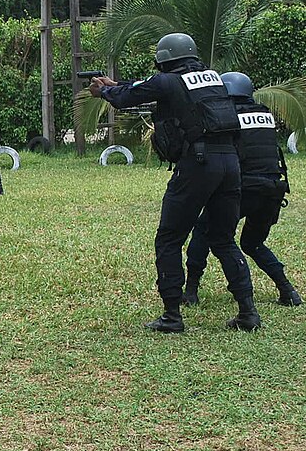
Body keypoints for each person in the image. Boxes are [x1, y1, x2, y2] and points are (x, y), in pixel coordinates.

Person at [89, 32, 260, 332]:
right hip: (230, 163)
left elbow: (130, 97)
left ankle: (172, 315)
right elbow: (150, 89)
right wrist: (117, 85)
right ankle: (248, 313)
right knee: (223, 238)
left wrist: (104, 92)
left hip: (198, 164)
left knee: (169, 238)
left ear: (164, 59)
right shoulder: (213, 79)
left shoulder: (168, 80)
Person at [184, 72, 300, 307]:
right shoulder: (264, 114)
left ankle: (191, 290)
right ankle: (288, 290)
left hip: (244, 189)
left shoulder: (227, 116)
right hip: (273, 190)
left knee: (205, 230)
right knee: (252, 243)